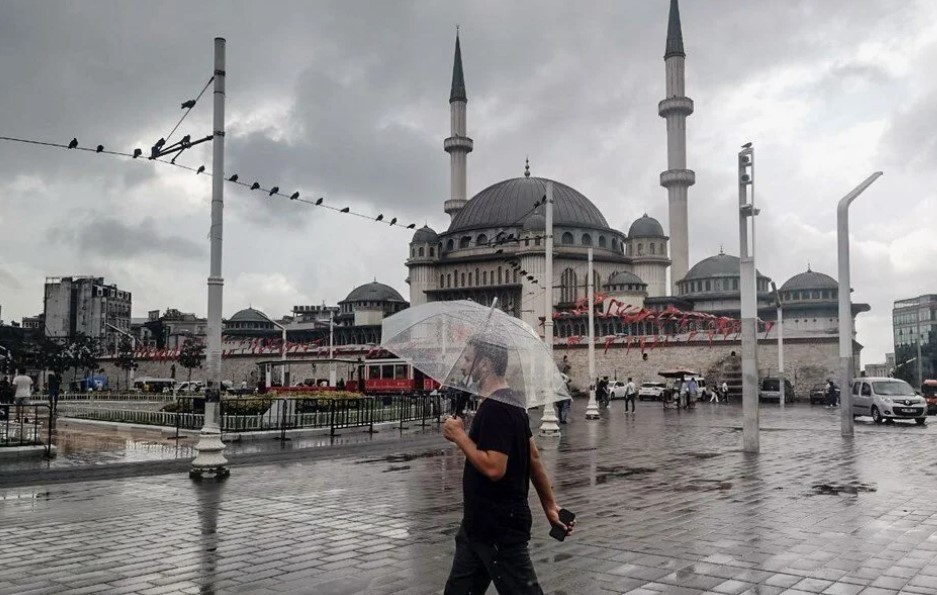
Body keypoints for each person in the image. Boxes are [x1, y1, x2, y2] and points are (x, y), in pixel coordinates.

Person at [443, 336, 573, 594]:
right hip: (477, 526)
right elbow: (533, 458)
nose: (463, 366)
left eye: (468, 359)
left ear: (485, 364)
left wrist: (460, 437)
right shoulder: (512, 402)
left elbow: (494, 467)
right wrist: (550, 505)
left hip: (498, 528)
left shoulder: (496, 409)